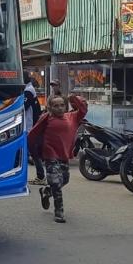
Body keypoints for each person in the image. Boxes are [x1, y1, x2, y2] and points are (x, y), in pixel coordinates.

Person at [28, 94, 88, 223]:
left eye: (62, 105)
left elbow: (83, 109)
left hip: (64, 156)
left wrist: (73, 99)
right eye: (56, 106)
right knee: (56, 182)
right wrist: (32, 151)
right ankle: (59, 212)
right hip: (50, 155)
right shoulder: (46, 118)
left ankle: (46, 191)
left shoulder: (72, 117)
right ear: (50, 107)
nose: (60, 108)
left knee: (64, 179)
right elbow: (32, 134)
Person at [24, 71, 44, 185]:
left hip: (29, 127)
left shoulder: (28, 91)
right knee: (33, 153)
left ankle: (23, 178)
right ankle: (40, 176)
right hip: (31, 126)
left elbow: (23, 106)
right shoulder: (28, 89)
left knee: (27, 153)